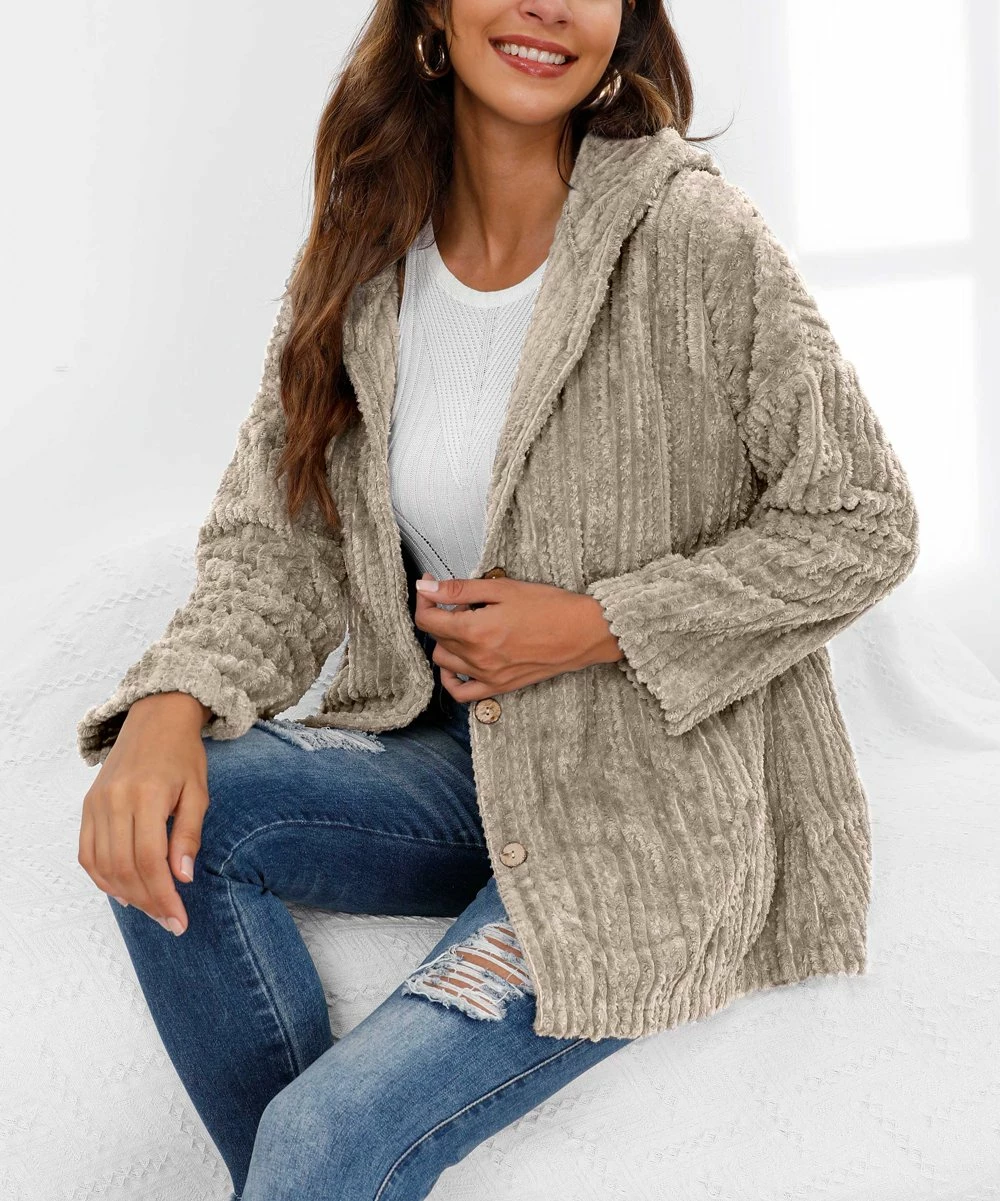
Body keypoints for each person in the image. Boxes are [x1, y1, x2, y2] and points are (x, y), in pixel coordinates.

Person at [75, 1, 920, 1198]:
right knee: (171, 817)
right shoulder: (365, 247)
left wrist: (596, 623)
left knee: (320, 1141)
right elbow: (281, 541)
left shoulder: (693, 238)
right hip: (453, 764)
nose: (545, 6)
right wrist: (169, 706)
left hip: (645, 814)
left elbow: (862, 517)